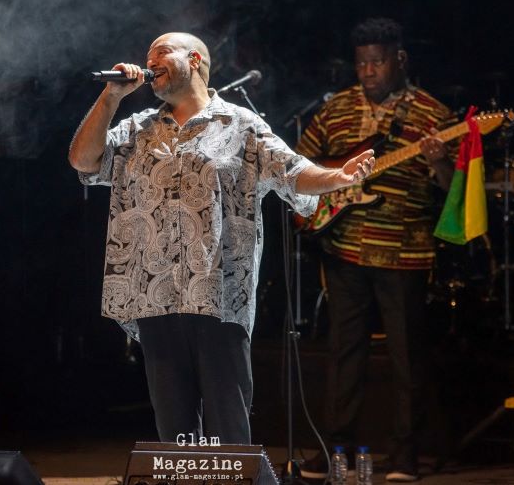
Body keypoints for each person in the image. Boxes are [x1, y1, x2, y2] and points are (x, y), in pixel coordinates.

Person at [68, 32, 375, 445]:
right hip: (152, 293)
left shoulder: (240, 125)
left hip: (217, 296)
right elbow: (83, 160)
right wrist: (111, 97)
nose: (150, 62)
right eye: (147, 56)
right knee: (175, 432)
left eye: (160, 52)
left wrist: (336, 176)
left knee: (228, 428)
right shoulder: (137, 128)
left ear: (193, 59)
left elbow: (293, 170)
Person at [295, 18, 455, 482]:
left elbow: (453, 192)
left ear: (399, 59)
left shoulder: (432, 114)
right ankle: (333, 451)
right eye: (362, 63)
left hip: (404, 252)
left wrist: (440, 161)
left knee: (407, 357)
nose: (368, 71)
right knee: (345, 354)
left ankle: (404, 455)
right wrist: (323, 199)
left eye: (378, 62)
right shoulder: (336, 110)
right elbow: (300, 168)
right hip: (344, 248)